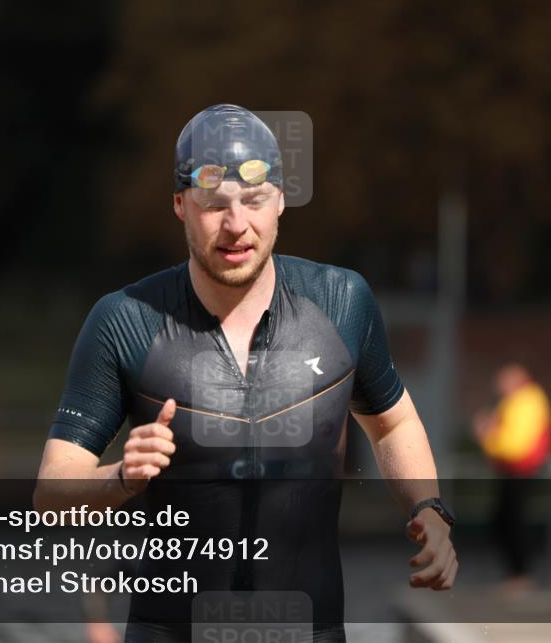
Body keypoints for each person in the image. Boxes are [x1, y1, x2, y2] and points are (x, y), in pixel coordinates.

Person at [34, 104, 458, 642]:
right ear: (181, 206)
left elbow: (393, 424)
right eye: (214, 205)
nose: (237, 226)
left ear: (280, 200)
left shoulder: (341, 302)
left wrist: (431, 510)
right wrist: (121, 476)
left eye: (254, 201)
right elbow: (51, 495)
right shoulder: (126, 320)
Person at [472, 363, 551, 594]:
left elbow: (514, 444)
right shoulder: (520, 401)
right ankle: (516, 574)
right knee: (505, 521)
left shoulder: (525, 400)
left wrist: (485, 437)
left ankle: (520, 574)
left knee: (512, 522)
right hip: (513, 471)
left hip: (521, 470)